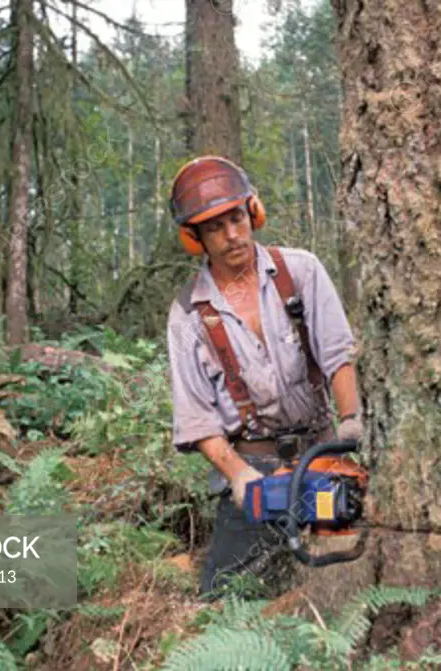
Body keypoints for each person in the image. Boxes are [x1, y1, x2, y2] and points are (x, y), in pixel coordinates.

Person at [164, 155, 363, 599]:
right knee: (226, 598)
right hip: (255, 467)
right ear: (194, 237)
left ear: (252, 211)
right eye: (215, 227)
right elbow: (197, 421)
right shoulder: (188, 316)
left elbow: (337, 356)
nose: (232, 235)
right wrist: (238, 475)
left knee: (344, 579)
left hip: (320, 451)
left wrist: (349, 425)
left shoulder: (301, 272)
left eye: (236, 218)